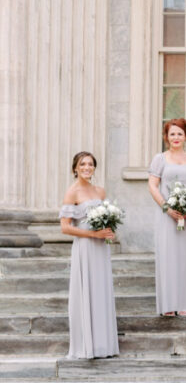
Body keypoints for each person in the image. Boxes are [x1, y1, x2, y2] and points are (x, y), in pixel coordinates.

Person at [60, 151, 119, 359]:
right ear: (75, 168)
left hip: (101, 248)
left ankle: (103, 345)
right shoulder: (72, 192)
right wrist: (92, 233)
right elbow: (65, 228)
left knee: (100, 291)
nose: (87, 167)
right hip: (85, 247)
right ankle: (86, 346)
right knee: (86, 292)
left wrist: (110, 231)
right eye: (82, 164)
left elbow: (109, 217)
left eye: (91, 164)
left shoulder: (100, 191)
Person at [147, 118, 186, 316]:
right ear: (166, 137)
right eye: (172, 134)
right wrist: (167, 207)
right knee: (168, 257)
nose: (176, 137)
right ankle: (169, 303)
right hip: (167, 216)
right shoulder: (160, 159)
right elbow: (153, 185)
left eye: (179, 133)